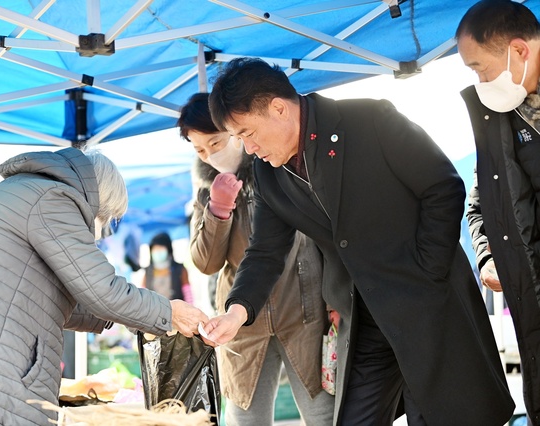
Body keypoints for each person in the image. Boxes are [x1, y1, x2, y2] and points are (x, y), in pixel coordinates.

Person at [201, 57, 515, 425]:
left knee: (443, 415)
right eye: (239, 140)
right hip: (364, 317)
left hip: (428, 305)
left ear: (278, 108)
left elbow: (441, 186)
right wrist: (237, 312)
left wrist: (427, 268)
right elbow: (265, 251)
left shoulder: (369, 120)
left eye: (247, 134)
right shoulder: (268, 175)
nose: (248, 148)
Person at [0, 147, 208, 426]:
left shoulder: (22, 192)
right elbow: (100, 288)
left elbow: (60, 297)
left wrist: (121, 317)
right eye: (108, 219)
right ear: (100, 201)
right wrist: (168, 311)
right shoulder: (53, 199)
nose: (102, 232)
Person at [177, 93, 334, 426]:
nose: (209, 155)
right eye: (200, 150)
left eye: (216, 143)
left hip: (304, 315)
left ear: (236, 131)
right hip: (241, 326)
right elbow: (205, 263)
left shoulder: (279, 167)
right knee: (245, 418)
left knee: (323, 415)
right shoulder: (206, 191)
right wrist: (218, 211)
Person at [456, 1, 540, 423]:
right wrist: (488, 253)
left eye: (480, 69)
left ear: (519, 51)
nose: (480, 81)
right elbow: (478, 202)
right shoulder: (496, 117)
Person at [142, 231, 193, 304]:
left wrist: (189, 310)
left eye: (161, 248)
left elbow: (188, 294)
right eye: (155, 249)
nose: (158, 252)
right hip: (154, 314)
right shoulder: (147, 272)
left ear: (168, 249)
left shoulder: (180, 269)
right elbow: (142, 297)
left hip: (176, 313)